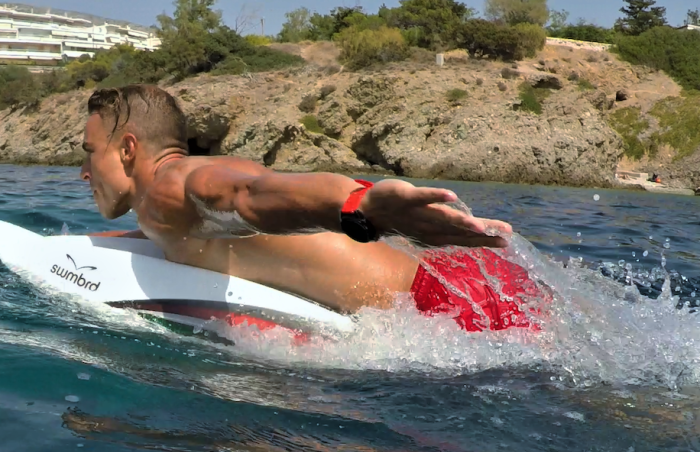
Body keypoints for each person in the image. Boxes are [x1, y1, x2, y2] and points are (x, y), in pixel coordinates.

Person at [82, 84, 551, 333]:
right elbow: (214, 221)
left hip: (447, 304)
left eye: (88, 152)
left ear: (127, 149)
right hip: (468, 273)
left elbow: (247, 195)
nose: (84, 173)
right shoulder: (173, 209)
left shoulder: (170, 190)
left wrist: (360, 206)